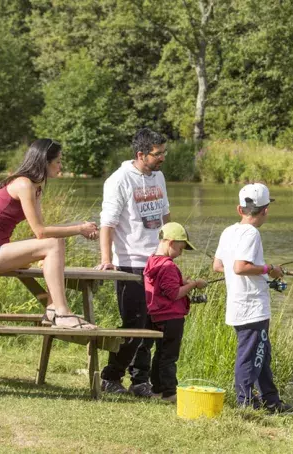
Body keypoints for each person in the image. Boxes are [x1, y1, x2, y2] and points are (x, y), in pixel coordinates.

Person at [0, 139, 98, 329]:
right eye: (58, 162)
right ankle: (62, 313)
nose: (60, 167)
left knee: (54, 244)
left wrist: (80, 225)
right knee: (52, 244)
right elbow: (41, 233)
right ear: (45, 161)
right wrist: (79, 230)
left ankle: (52, 308)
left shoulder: (35, 187)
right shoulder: (23, 185)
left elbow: (42, 229)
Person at [97, 128, 171, 396]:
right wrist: (107, 260)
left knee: (153, 324)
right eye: (157, 153)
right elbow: (108, 223)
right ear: (141, 154)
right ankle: (110, 377)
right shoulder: (118, 180)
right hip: (130, 262)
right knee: (134, 324)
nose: (162, 157)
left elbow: (165, 215)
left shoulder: (159, 177)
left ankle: (141, 381)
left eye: (164, 152)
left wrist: (173, 243)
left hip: (158, 261)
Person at [212, 183, 293, 414]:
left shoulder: (229, 231)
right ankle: (245, 403)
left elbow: (219, 266)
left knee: (262, 354)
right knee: (250, 356)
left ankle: (271, 401)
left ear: (240, 209)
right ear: (266, 209)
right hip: (252, 307)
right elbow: (240, 267)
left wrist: (257, 270)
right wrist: (268, 268)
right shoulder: (252, 233)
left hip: (238, 307)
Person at [143, 222, 207, 402]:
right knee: (170, 357)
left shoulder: (152, 261)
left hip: (157, 316)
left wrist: (182, 281)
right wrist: (194, 284)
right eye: (180, 248)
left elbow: (163, 288)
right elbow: (174, 294)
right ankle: (170, 393)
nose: (181, 253)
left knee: (160, 354)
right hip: (172, 317)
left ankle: (157, 390)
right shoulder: (168, 266)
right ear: (170, 243)